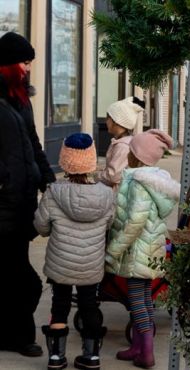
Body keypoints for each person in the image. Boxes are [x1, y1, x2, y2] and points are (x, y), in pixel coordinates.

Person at [34, 133, 114, 370]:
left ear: (65, 162)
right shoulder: (106, 195)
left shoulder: (53, 193)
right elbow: (109, 224)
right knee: (89, 305)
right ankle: (91, 357)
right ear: (90, 162)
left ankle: (56, 358)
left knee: (59, 305)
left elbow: (41, 227)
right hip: (91, 264)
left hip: (60, 263)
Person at [0, 31, 56, 357]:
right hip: (4, 203)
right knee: (24, 280)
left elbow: (34, 144)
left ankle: (11, 336)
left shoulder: (22, 100)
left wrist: (49, 181)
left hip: (22, 205)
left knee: (12, 273)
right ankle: (21, 337)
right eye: (24, 61)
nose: (28, 68)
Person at [105, 129, 180, 368]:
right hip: (151, 248)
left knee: (137, 301)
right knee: (145, 298)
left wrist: (114, 250)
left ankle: (146, 350)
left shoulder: (138, 183)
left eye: (130, 151)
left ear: (137, 156)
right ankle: (138, 346)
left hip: (138, 249)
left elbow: (134, 222)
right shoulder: (152, 181)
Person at [97, 96, 145, 189]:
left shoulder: (123, 146)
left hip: (118, 195)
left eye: (108, 118)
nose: (106, 121)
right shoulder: (124, 142)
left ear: (116, 121)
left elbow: (113, 176)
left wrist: (97, 176)